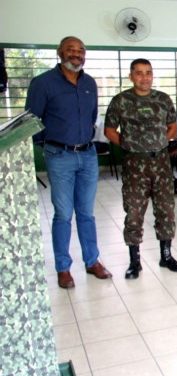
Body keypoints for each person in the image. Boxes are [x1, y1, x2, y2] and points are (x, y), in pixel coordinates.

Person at [26, 36, 112, 289]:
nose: (76, 54)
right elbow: (33, 121)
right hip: (59, 155)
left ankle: (92, 261)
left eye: (81, 50)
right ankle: (63, 267)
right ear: (60, 53)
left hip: (87, 154)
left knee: (87, 213)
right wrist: (49, 146)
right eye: (70, 50)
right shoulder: (42, 83)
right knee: (63, 214)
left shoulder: (90, 83)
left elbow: (92, 117)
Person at [104, 58, 177, 279]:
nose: (144, 77)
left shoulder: (163, 99)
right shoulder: (120, 101)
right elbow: (109, 130)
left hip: (160, 162)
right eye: (139, 73)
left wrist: (159, 141)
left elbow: (172, 127)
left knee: (166, 210)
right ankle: (134, 261)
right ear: (131, 76)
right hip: (134, 164)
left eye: (148, 72)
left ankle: (166, 255)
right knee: (134, 212)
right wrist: (129, 144)